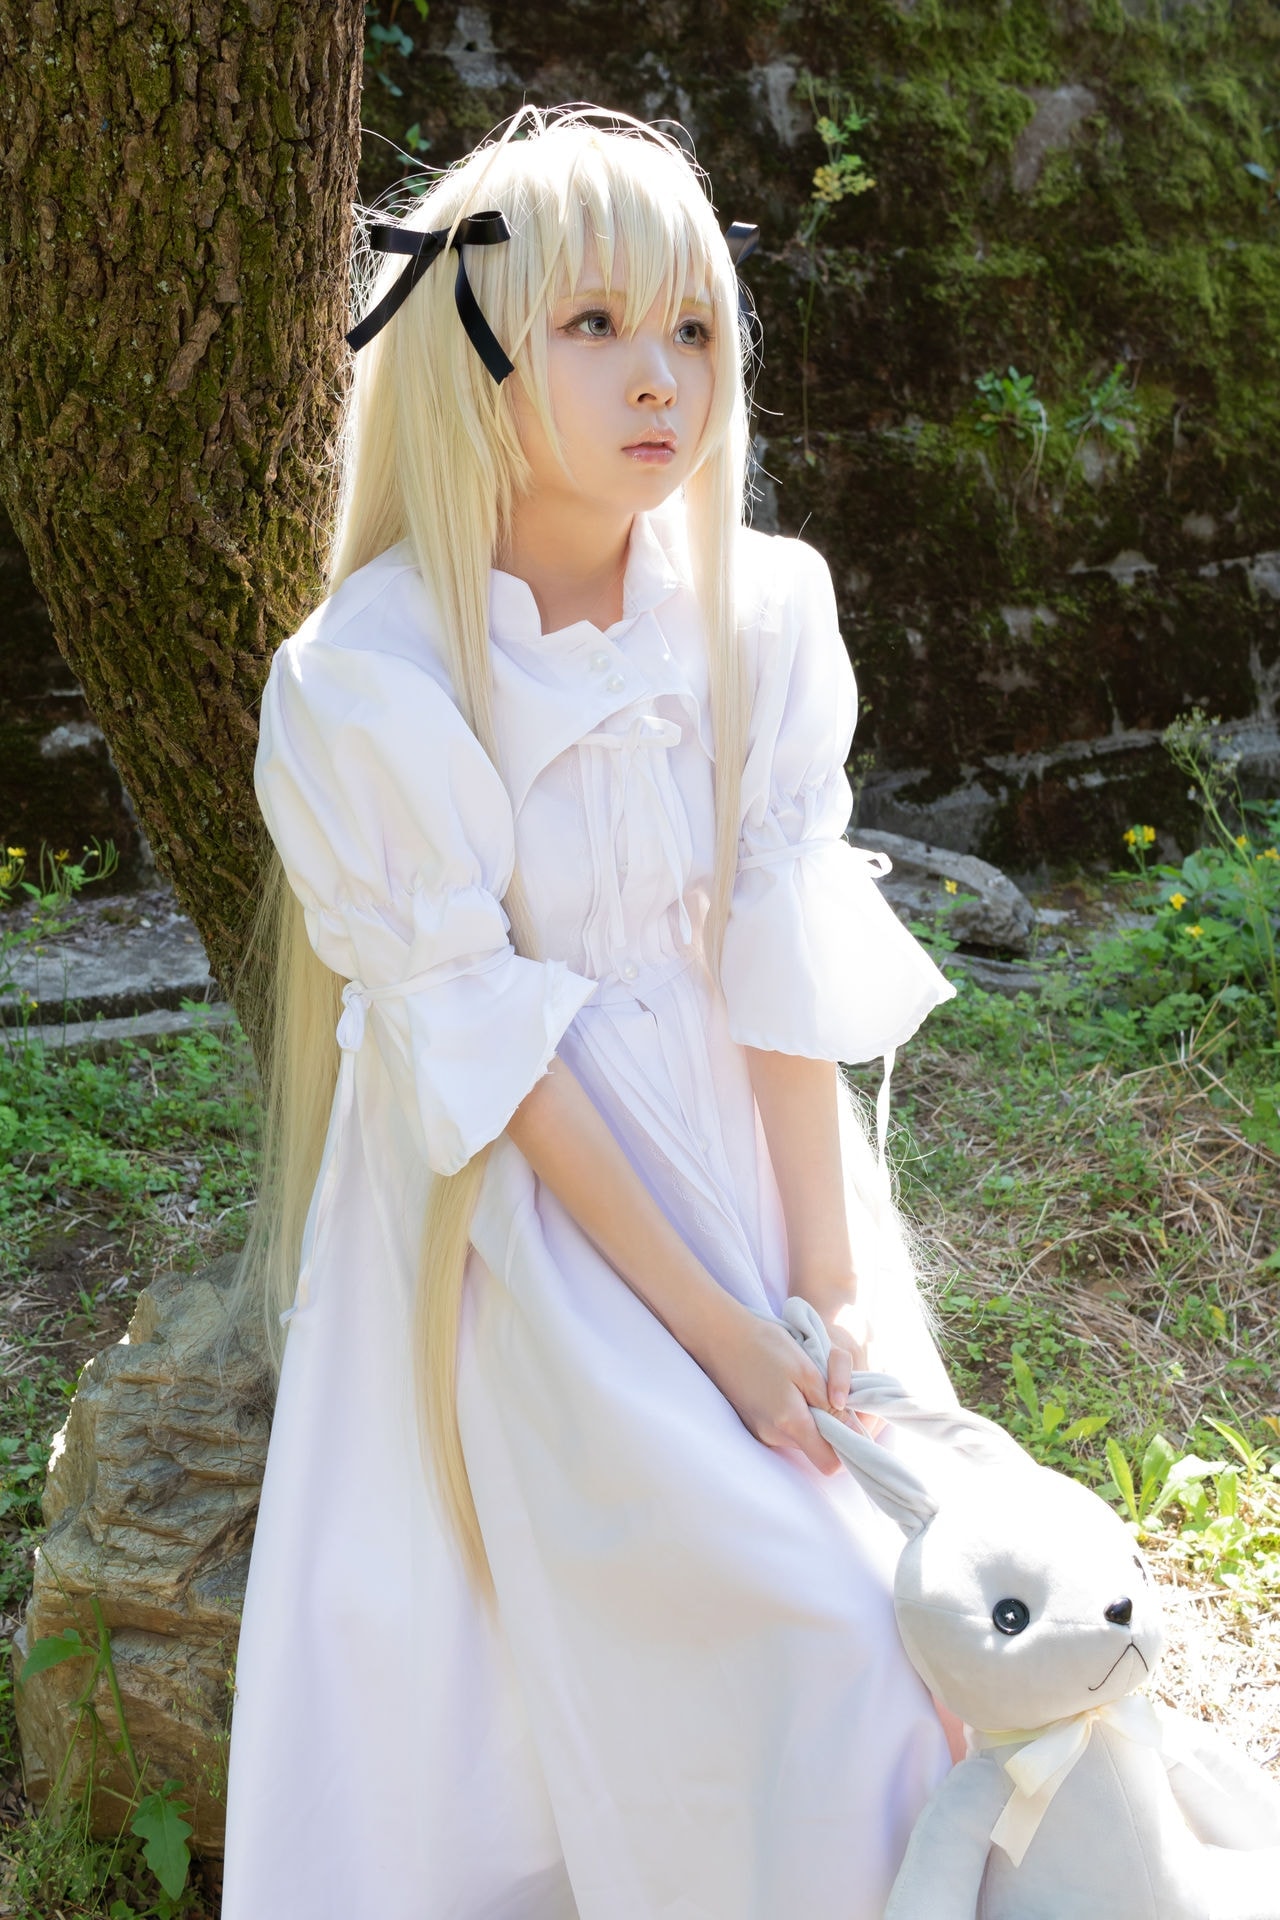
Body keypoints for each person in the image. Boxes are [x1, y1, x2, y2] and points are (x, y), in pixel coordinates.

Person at [220, 104, 961, 1920]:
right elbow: (489, 1046)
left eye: (694, 327)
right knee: (736, 1646)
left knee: (902, 1604)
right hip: (524, 1229)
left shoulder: (760, 612)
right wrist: (719, 1337)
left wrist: (826, 1290)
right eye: (596, 324)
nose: (661, 378)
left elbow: (776, 980)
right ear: (469, 357)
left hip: (747, 1171)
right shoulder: (369, 678)